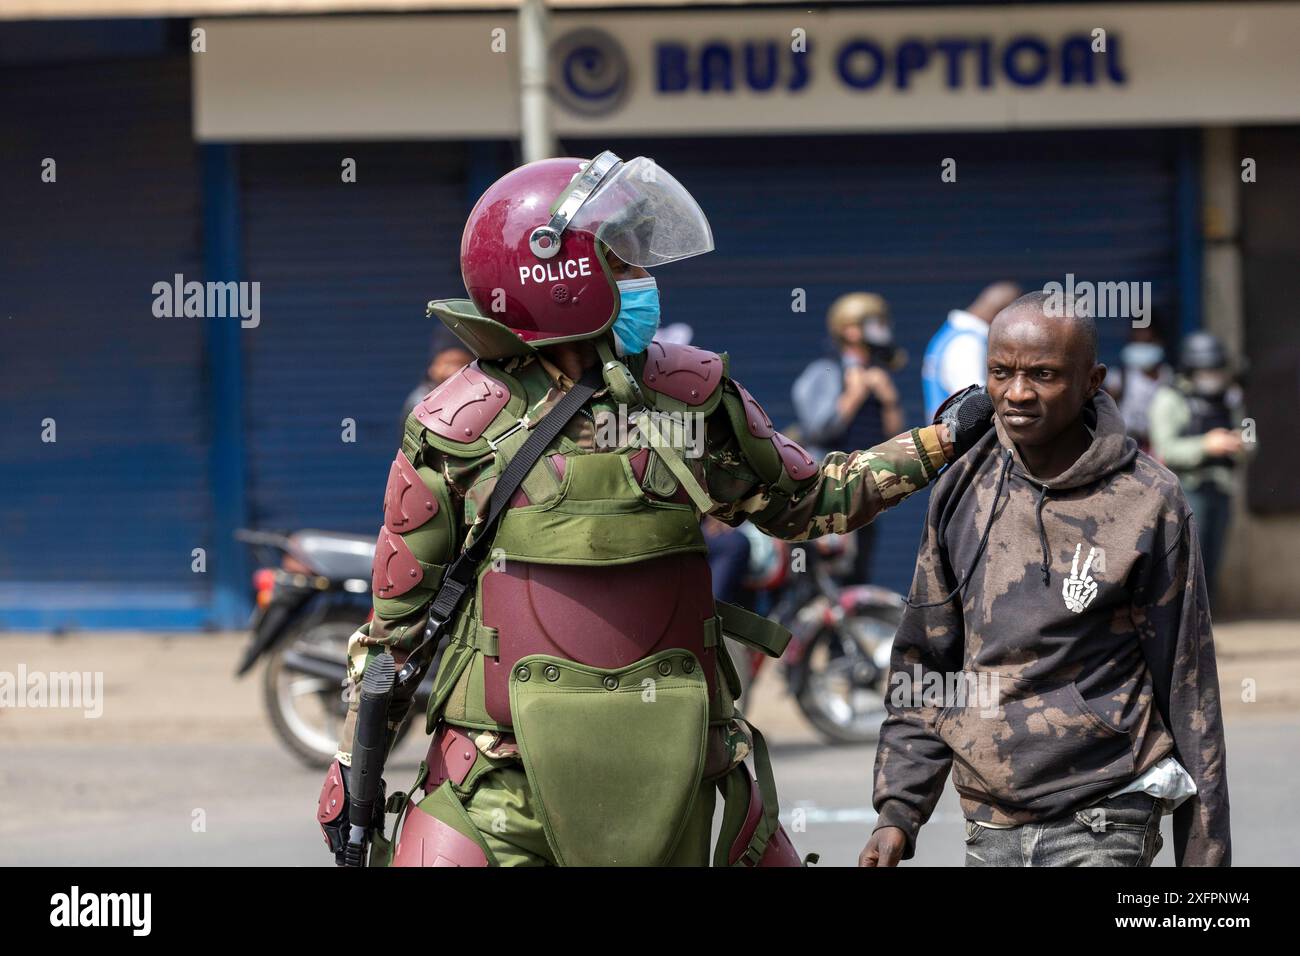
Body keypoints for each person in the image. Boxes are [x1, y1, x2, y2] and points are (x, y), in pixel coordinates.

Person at [316, 150, 996, 867]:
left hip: (636, 777)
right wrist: (353, 788)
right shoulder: (467, 425)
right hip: (511, 786)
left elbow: (391, 644)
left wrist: (942, 439)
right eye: (622, 264)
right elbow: (816, 500)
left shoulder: (680, 396)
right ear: (562, 277)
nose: (644, 284)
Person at [862, 291, 1230, 868]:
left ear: (1092, 381)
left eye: (1043, 374)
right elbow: (926, 661)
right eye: (1001, 373)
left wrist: (1205, 868)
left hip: (1105, 811)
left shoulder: (1147, 501)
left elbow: (1188, 686)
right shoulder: (963, 488)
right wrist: (898, 811)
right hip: (989, 819)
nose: (1016, 393)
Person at [793, 292, 906, 584]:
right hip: (829, 488)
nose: (881, 329)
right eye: (872, 322)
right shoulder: (824, 372)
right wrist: (853, 395)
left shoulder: (878, 374)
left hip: (867, 487)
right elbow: (816, 429)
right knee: (824, 577)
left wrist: (889, 400)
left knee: (858, 572)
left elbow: (895, 438)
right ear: (850, 329)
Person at [1149, 332, 1246, 599]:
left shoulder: (1230, 397)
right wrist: (1207, 445)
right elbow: (1165, 449)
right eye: (1206, 370)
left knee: (1211, 563)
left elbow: (1248, 432)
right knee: (1189, 564)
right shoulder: (1170, 398)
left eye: (1216, 369)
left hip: (1222, 488)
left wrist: (1242, 443)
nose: (1212, 375)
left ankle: (1204, 626)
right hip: (1187, 492)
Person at [921, 281, 1022, 419]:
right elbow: (974, 402)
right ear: (1003, 314)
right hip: (958, 436)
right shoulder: (967, 343)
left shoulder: (952, 332)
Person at [1104, 323, 1172, 451]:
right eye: (1137, 343)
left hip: (1159, 446)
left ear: (1158, 343)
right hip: (1128, 445)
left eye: (1147, 343)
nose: (1142, 349)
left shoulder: (1168, 376)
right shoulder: (1118, 377)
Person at [399, 328, 474, 433]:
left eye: (460, 363)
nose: (452, 371)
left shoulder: (486, 398)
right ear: (432, 368)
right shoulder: (419, 404)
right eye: (447, 363)